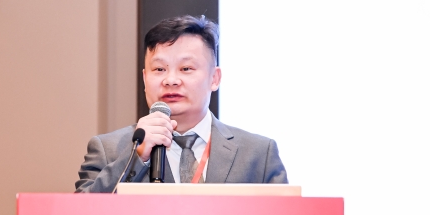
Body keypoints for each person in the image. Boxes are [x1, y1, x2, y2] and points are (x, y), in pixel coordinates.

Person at [75, 15, 287, 193]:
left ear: (214, 78)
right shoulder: (108, 149)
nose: (171, 80)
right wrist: (137, 156)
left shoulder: (259, 154)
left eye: (186, 69)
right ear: (145, 79)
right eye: (159, 69)